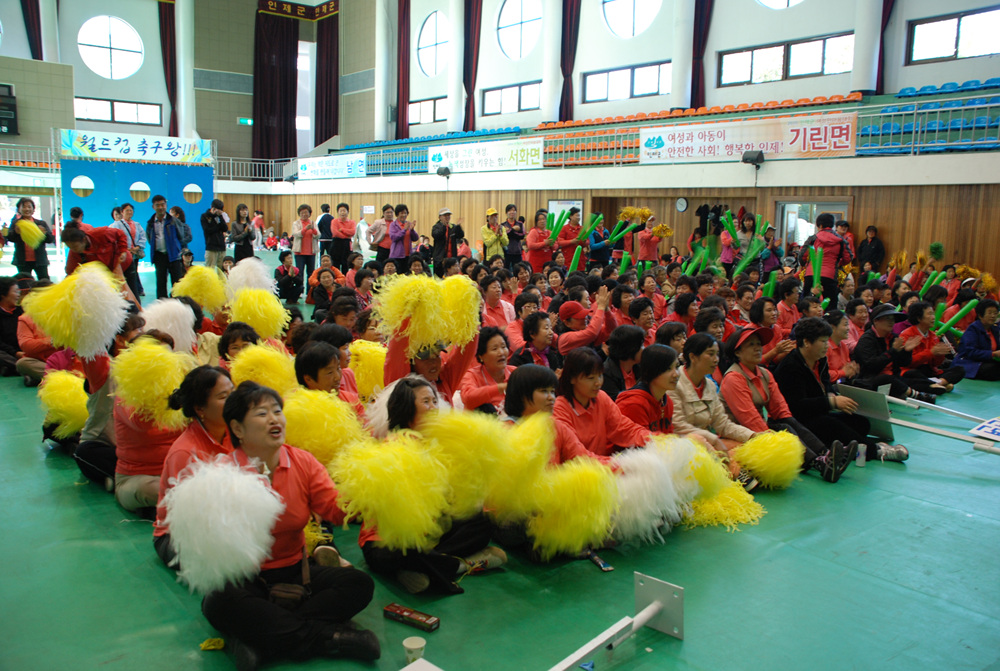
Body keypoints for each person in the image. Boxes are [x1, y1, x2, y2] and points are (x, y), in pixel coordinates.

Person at [200, 381, 380, 665]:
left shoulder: (303, 462)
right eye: (261, 414)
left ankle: (261, 638)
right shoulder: (223, 474)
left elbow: (333, 510)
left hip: (298, 574)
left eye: (277, 411)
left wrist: (366, 493)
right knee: (218, 602)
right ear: (237, 429)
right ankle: (329, 637)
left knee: (358, 584)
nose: (274, 419)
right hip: (248, 580)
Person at [360, 375, 505, 595]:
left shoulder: (441, 443)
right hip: (391, 538)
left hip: (433, 533)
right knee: (400, 552)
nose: (434, 407)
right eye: (426, 402)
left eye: (434, 401)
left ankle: (420, 569)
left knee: (483, 523)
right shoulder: (393, 447)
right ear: (408, 409)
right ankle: (461, 565)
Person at [774, 317, 909, 465]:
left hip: (819, 412)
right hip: (798, 421)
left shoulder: (820, 360)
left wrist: (832, 395)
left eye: (827, 341)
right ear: (806, 342)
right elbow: (797, 406)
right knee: (831, 425)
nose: (827, 346)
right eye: (823, 341)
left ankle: (845, 447)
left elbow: (826, 385)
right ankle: (876, 451)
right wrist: (832, 402)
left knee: (861, 423)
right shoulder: (790, 367)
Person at [721, 327, 847, 482]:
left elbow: (780, 409)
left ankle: (825, 455)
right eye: (751, 345)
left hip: (757, 428)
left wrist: (784, 426)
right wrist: (771, 436)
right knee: (781, 429)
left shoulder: (764, 374)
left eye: (759, 344)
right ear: (737, 352)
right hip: (739, 433)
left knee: (785, 422)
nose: (758, 348)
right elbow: (749, 418)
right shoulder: (733, 378)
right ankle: (818, 462)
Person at [667, 334, 755, 483]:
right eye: (710, 354)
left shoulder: (710, 385)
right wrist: (714, 441)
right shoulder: (674, 383)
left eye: (717, 354)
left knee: (750, 447)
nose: (716, 360)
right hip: (683, 444)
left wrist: (753, 436)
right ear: (693, 357)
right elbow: (678, 427)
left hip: (710, 442)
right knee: (721, 457)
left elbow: (723, 424)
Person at [552, 348, 650, 456]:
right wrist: (615, 464)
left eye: (600, 375)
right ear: (572, 378)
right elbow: (576, 454)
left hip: (601, 467)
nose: (598, 383)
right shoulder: (560, 409)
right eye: (591, 378)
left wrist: (656, 440)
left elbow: (623, 428)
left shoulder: (601, 397)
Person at [898, 301, 966, 392]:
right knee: (912, 374)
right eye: (929, 314)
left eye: (933, 314)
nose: (933, 317)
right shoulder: (906, 335)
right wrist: (931, 352)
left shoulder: (933, 335)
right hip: (913, 370)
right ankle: (938, 385)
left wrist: (940, 354)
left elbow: (935, 364)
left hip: (930, 372)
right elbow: (908, 363)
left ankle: (938, 383)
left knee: (960, 369)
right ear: (919, 318)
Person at [615, 344, 679, 434]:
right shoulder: (634, 404)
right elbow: (639, 444)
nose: (676, 374)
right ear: (652, 370)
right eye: (668, 369)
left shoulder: (666, 401)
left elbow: (668, 437)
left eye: (676, 367)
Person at [459, 326, 515, 414]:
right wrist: (500, 388)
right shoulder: (472, 375)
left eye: (503, 347)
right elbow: (467, 398)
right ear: (481, 356)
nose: (501, 353)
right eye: (494, 349)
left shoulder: (515, 372)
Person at [802, 212, 853, 301]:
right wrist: (839, 263)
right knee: (830, 304)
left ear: (820, 226)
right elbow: (848, 257)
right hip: (830, 275)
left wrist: (805, 264)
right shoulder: (841, 240)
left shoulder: (813, 238)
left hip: (811, 274)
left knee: (807, 303)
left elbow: (802, 256)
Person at [2, 198, 55, 280]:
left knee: (44, 282)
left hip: (40, 260)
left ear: (33, 209)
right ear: (19, 209)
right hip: (22, 261)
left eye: (29, 207)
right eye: (24, 207)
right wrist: (16, 233)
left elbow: (50, 239)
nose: (27, 209)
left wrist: (44, 233)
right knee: (25, 283)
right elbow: (10, 238)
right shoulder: (16, 223)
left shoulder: (40, 223)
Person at [146, 195, 187, 299]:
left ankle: (178, 303)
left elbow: (181, 236)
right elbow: (149, 238)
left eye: (162, 205)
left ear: (166, 205)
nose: (160, 207)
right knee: (160, 283)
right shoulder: (150, 223)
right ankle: (162, 305)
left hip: (173, 256)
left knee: (177, 283)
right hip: (159, 256)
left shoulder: (173, 221)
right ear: (153, 207)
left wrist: (177, 249)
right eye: (157, 205)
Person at [954, 299, 1000, 381]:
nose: (993, 316)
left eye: (995, 313)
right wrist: (993, 354)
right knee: (993, 369)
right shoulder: (973, 329)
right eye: (989, 313)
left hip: (988, 361)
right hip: (970, 363)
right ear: (980, 315)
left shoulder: (995, 329)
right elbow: (971, 352)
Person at [111, 203, 147, 298]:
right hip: (123, 256)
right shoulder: (116, 225)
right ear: (122, 212)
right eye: (127, 210)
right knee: (123, 276)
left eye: (131, 210)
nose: (129, 212)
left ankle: (134, 295)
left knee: (133, 274)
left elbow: (143, 236)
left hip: (134, 255)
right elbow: (114, 239)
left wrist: (138, 247)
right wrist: (125, 249)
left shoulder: (137, 224)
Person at [601, 325, 645, 401]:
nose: (644, 349)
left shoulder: (640, 367)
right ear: (631, 348)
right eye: (641, 345)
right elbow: (618, 402)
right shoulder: (606, 373)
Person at [0, 277, 23, 377]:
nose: (18, 295)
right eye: (15, 291)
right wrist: (15, 353)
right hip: (9, 353)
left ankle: (13, 368)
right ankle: (21, 368)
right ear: (3, 294)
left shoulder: (22, 311)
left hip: (25, 352)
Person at [388, 204, 418, 272]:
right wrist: (404, 230)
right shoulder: (393, 225)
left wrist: (412, 230)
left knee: (407, 274)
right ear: (397, 214)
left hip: (408, 255)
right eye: (401, 213)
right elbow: (394, 237)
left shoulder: (408, 224)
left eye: (405, 213)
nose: (404, 215)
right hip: (397, 255)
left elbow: (415, 238)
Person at [200, 199, 228, 270]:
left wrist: (220, 217)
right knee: (209, 270)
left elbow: (225, 228)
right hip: (211, 247)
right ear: (213, 208)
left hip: (221, 247)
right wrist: (213, 217)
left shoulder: (220, 217)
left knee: (222, 270)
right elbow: (208, 230)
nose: (219, 211)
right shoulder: (204, 216)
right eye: (218, 209)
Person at [292, 204, 318, 279]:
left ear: (309, 213)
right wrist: (305, 229)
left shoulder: (313, 223)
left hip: (311, 252)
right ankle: (300, 290)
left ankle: (310, 290)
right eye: (302, 213)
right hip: (299, 252)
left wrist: (313, 229)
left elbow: (318, 235)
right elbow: (296, 234)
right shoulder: (296, 223)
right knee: (299, 273)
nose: (304, 214)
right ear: (299, 214)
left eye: (306, 212)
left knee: (311, 273)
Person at [330, 203, 356, 272]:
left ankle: (345, 281)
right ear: (338, 212)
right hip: (336, 244)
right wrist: (346, 236)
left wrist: (342, 230)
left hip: (347, 244)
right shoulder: (334, 221)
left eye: (344, 210)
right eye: (340, 211)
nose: (342, 212)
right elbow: (335, 233)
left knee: (346, 264)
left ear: (348, 212)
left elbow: (353, 232)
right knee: (335, 265)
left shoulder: (352, 222)